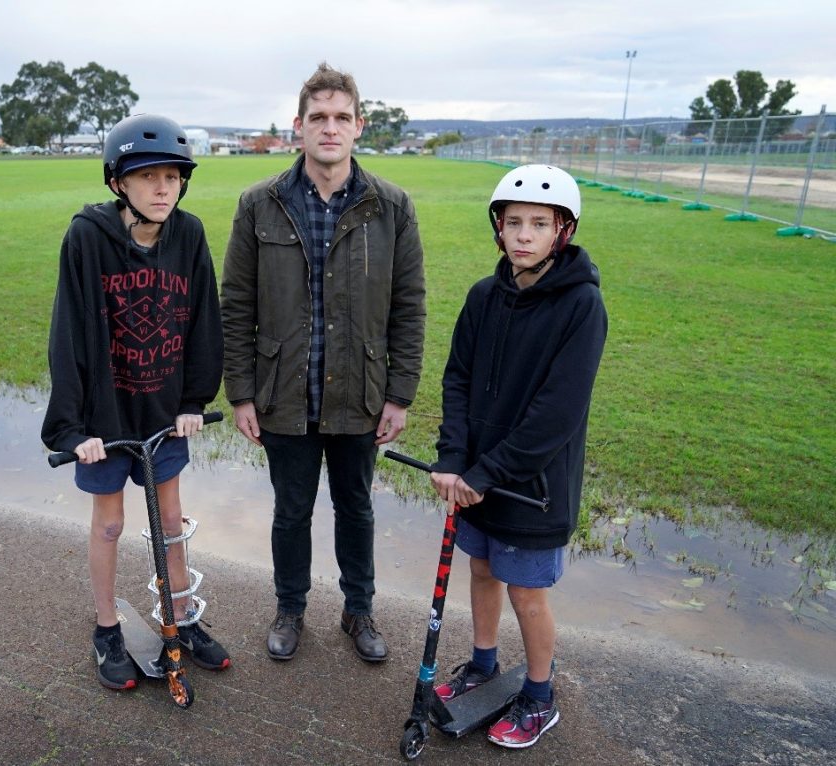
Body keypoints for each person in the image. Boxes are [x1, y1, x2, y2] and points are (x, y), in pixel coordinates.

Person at [220, 62, 426, 663]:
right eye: (318, 117)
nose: (329, 128)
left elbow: (409, 306)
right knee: (291, 512)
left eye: (341, 117)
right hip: (284, 392)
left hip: (359, 392)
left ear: (359, 126)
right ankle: (290, 608)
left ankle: (359, 610)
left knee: (356, 509)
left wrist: (400, 394)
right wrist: (241, 392)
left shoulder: (392, 207)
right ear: (299, 126)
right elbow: (236, 305)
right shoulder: (259, 205)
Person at [41, 114, 229, 690]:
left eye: (172, 177)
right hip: (105, 416)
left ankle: (181, 618)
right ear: (118, 181)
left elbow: (204, 320)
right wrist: (72, 430)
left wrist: (194, 399)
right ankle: (107, 629)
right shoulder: (87, 237)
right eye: (148, 176)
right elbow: (68, 331)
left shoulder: (188, 235)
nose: (162, 188)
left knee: (170, 521)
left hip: (163, 411)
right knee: (110, 525)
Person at [429, 164, 607, 748]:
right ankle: (483, 664)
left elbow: (557, 412)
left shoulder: (582, 306)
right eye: (513, 223)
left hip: (532, 487)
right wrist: (453, 457)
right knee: (481, 570)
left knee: (526, 592)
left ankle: (538, 694)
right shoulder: (484, 296)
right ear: (498, 228)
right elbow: (457, 379)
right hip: (476, 478)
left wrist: (489, 471)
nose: (523, 235)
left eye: (539, 224)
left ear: (563, 231)